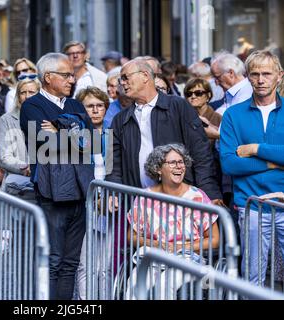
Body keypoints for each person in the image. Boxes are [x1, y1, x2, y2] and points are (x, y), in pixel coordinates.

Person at [19, 52, 95, 300]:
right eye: (66, 75)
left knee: (71, 262)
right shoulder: (32, 106)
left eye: (72, 75)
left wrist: (61, 126)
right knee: (53, 261)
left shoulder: (74, 104)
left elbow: (91, 141)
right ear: (48, 77)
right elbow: (46, 145)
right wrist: (74, 128)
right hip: (52, 194)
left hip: (81, 192)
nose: (72, 80)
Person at [106, 58, 222, 203]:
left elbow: (201, 152)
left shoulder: (178, 107)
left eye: (125, 77)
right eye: (120, 79)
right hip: (138, 203)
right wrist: (113, 193)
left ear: (145, 76)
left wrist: (210, 193)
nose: (122, 83)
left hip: (180, 202)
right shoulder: (119, 119)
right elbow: (112, 162)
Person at [220, 50, 284, 286]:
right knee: (252, 278)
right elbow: (229, 163)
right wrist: (272, 162)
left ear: (279, 75)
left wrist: (256, 148)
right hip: (252, 205)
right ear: (247, 77)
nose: (260, 79)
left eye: (266, 73)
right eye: (255, 74)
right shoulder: (233, 115)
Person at [124, 144, 220, 299]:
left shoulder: (197, 197)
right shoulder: (145, 197)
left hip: (188, 259)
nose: (179, 167)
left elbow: (215, 240)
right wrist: (156, 244)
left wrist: (181, 247)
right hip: (155, 257)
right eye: (172, 163)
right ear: (158, 169)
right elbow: (131, 236)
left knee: (164, 285)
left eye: (181, 162)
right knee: (135, 283)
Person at [74, 86, 111, 300]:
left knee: (105, 264)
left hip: (110, 203)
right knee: (85, 262)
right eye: (90, 106)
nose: (96, 110)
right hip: (84, 204)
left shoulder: (112, 132)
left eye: (100, 106)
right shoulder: (77, 135)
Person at [0, 77, 41, 199]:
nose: (27, 96)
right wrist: (25, 167)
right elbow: (5, 157)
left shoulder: (47, 117)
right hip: (17, 186)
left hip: (43, 185)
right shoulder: (7, 119)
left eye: (32, 92)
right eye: (23, 92)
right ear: (18, 96)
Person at [184, 78, 222, 145]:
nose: (193, 96)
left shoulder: (219, 119)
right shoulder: (182, 118)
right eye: (189, 94)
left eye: (198, 93)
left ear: (208, 95)